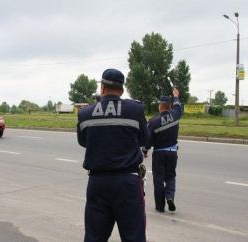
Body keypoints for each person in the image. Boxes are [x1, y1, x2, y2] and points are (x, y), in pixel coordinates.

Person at [77, 68, 149, 242]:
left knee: (94, 237)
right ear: (122, 90)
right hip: (128, 185)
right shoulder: (135, 109)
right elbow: (144, 139)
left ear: (102, 88)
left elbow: (83, 142)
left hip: (97, 184)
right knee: (134, 238)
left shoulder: (84, 114)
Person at [142, 88, 182, 212]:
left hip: (159, 154)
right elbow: (178, 106)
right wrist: (176, 95)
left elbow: (148, 140)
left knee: (158, 180)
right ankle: (169, 196)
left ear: (160, 106)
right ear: (169, 107)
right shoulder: (175, 114)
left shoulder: (153, 122)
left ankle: (160, 207)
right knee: (170, 176)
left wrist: (145, 150)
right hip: (172, 153)